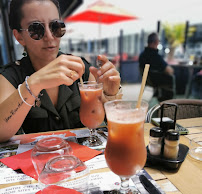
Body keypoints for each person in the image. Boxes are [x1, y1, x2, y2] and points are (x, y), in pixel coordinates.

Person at [0, 0, 121, 143]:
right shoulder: (10, 77)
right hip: (36, 162)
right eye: (36, 29)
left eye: (56, 26)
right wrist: (34, 83)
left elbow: (105, 123)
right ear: (19, 36)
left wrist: (110, 95)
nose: (50, 36)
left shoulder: (81, 69)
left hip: (82, 161)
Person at [139, 32, 175, 101]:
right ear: (156, 42)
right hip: (156, 81)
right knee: (173, 77)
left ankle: (158, 93)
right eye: (158, 41)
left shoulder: (142, 55)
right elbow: (169, 70)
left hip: (148, 80)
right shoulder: (155, 56)